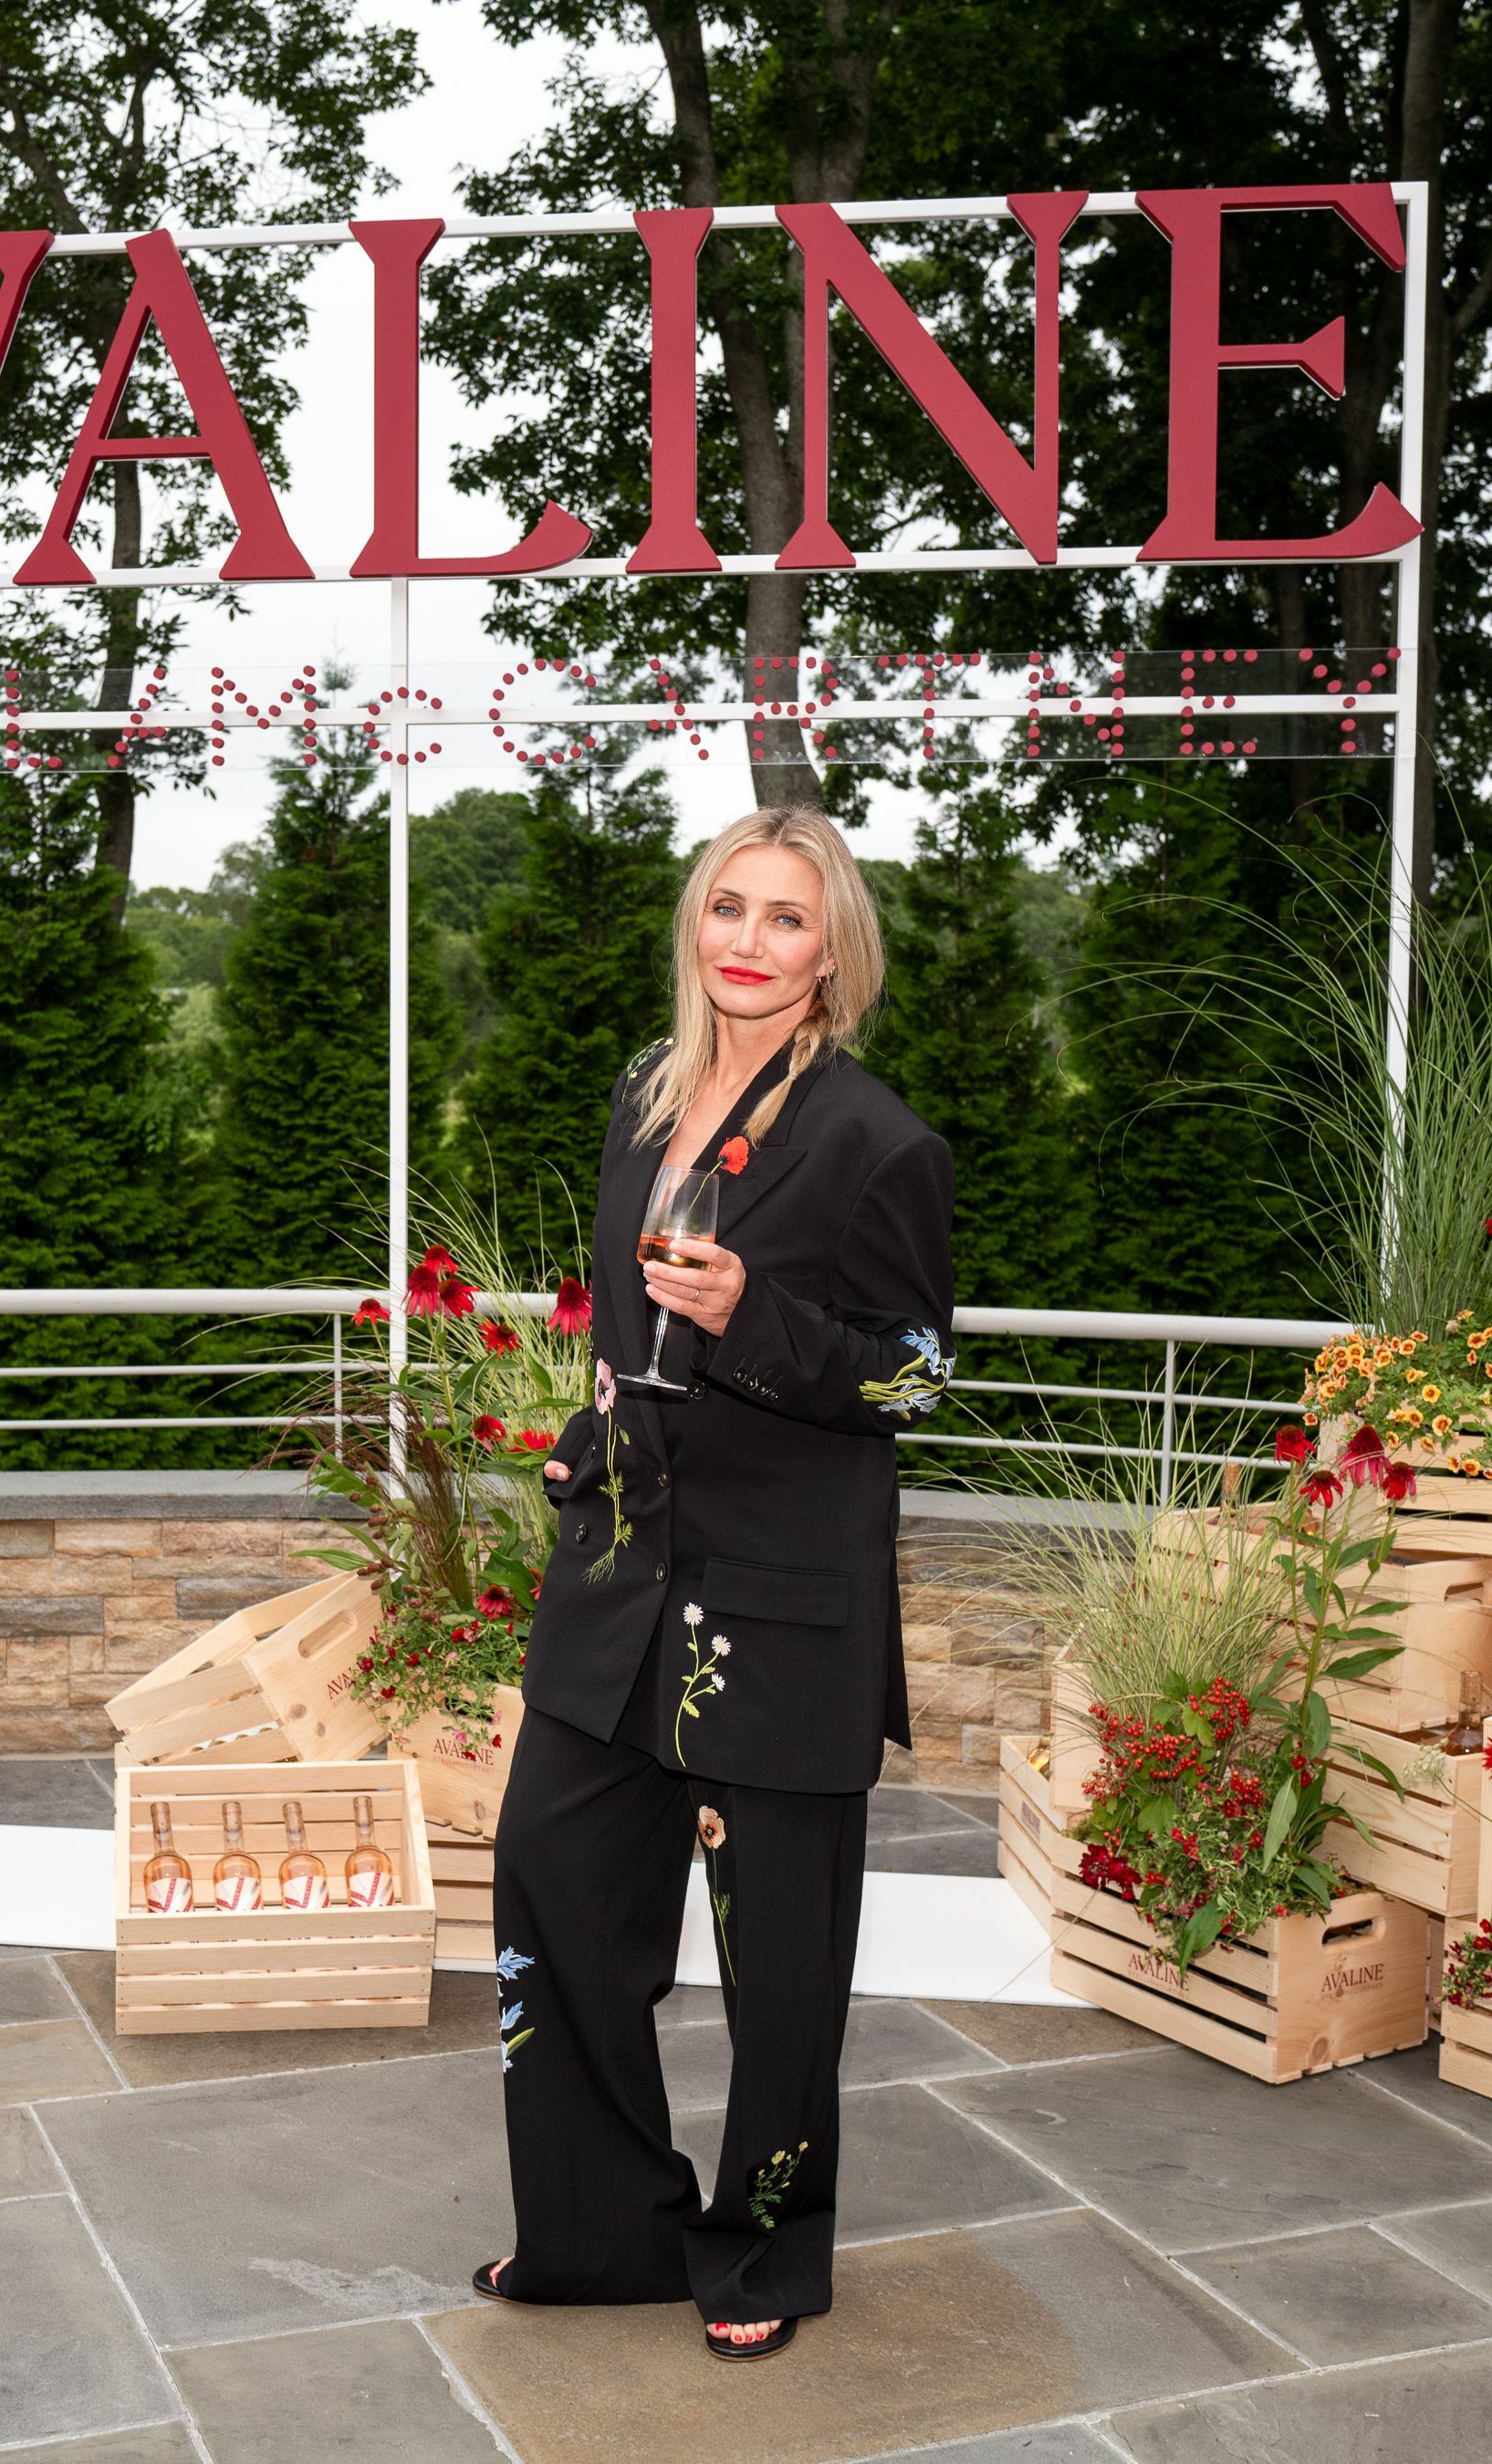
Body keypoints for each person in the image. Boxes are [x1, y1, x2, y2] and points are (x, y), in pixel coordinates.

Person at [471, 806, 956, 2363]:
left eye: (787, 918)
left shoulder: (878, 1142)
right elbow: (623, 1331)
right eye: (729, 906)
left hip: (782, 1599)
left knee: (781, 1958)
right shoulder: (646, 1094)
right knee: (550, 1878)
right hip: (622, 1571)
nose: (749, 940)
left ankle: (762, 2255)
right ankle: (604, 2231)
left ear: (832, 956)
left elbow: (913, 1377)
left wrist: (757, 1319)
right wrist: (583, 1440)